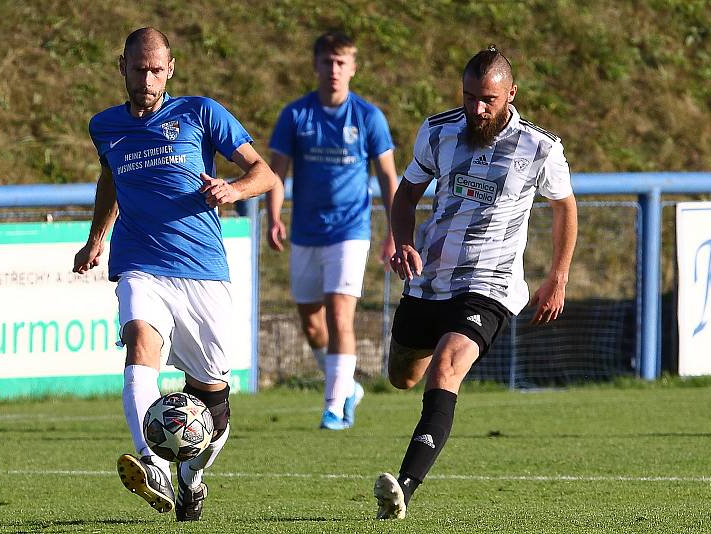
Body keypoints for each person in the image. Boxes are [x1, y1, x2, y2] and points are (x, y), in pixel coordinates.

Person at [72, 27, 275, 522]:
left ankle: (192, 478)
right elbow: (109, 180)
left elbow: (265, 173)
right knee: (139, 341)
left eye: (156, 70)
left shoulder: (200, 112)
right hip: (141, 264)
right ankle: (152, 463)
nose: (147, 78)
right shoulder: (105, 126)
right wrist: (98, 237)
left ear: (171, 69)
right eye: (138, 69)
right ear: (122, 67)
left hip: (202, 271)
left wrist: (233, 190)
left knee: (213, 396)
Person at [373, 46, 578, 519]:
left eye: (487, 99)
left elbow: (565, 207)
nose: (476, 109)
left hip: (491, 283)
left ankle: (402, 488)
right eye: (469, 97)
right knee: (403, 376)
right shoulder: (439, 131)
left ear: (511, 94)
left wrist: (557, 276)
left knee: (446, 367)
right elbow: (406, 195)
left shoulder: (539, 148)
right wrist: (403, 241)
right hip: (430, 278)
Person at [265, 31, 398, 430]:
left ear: (353, 68)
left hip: (350, 231)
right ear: (316, 65)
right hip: (306, 231)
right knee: (311, 322)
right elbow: (275, 173)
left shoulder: (369, 117)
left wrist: (396, 231)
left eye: (342, 63)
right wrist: (274, 216)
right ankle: (347, 387)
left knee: (341, 316)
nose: (334, 70)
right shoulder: (295, 115)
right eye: (328, 62)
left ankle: (334, 407)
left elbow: (389, 178)